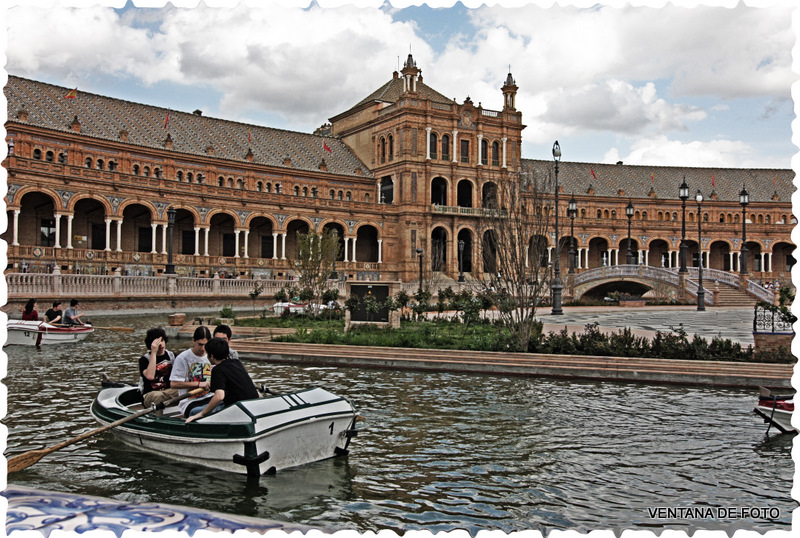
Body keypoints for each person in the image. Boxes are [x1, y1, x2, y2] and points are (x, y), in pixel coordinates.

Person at [185, 337, 259, 423]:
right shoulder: (236, 362)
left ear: (211, 356)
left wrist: (201, 414)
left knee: (193, 411)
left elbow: (219, 396)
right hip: (252, 404)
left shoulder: (218, 369)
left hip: (238, 409)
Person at [169, 326, 212, 417]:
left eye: (206, 345)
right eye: (200, 344)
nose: (203, 348)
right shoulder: (182, 358)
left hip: (209, 397)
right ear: (193, 341)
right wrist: (198, 384)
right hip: (190, 401)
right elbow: (174, 384)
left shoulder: (212, 356)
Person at [139, 327, 179, 410]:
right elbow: (150, 376)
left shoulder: (172, 356)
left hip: (169, 392)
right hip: (150, 395)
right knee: (158, 396)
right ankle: (158, 418)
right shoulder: (144, 360)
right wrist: (153, 352)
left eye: (162, 341)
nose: (161, 345)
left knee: (186, 389)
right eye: (157, 343)